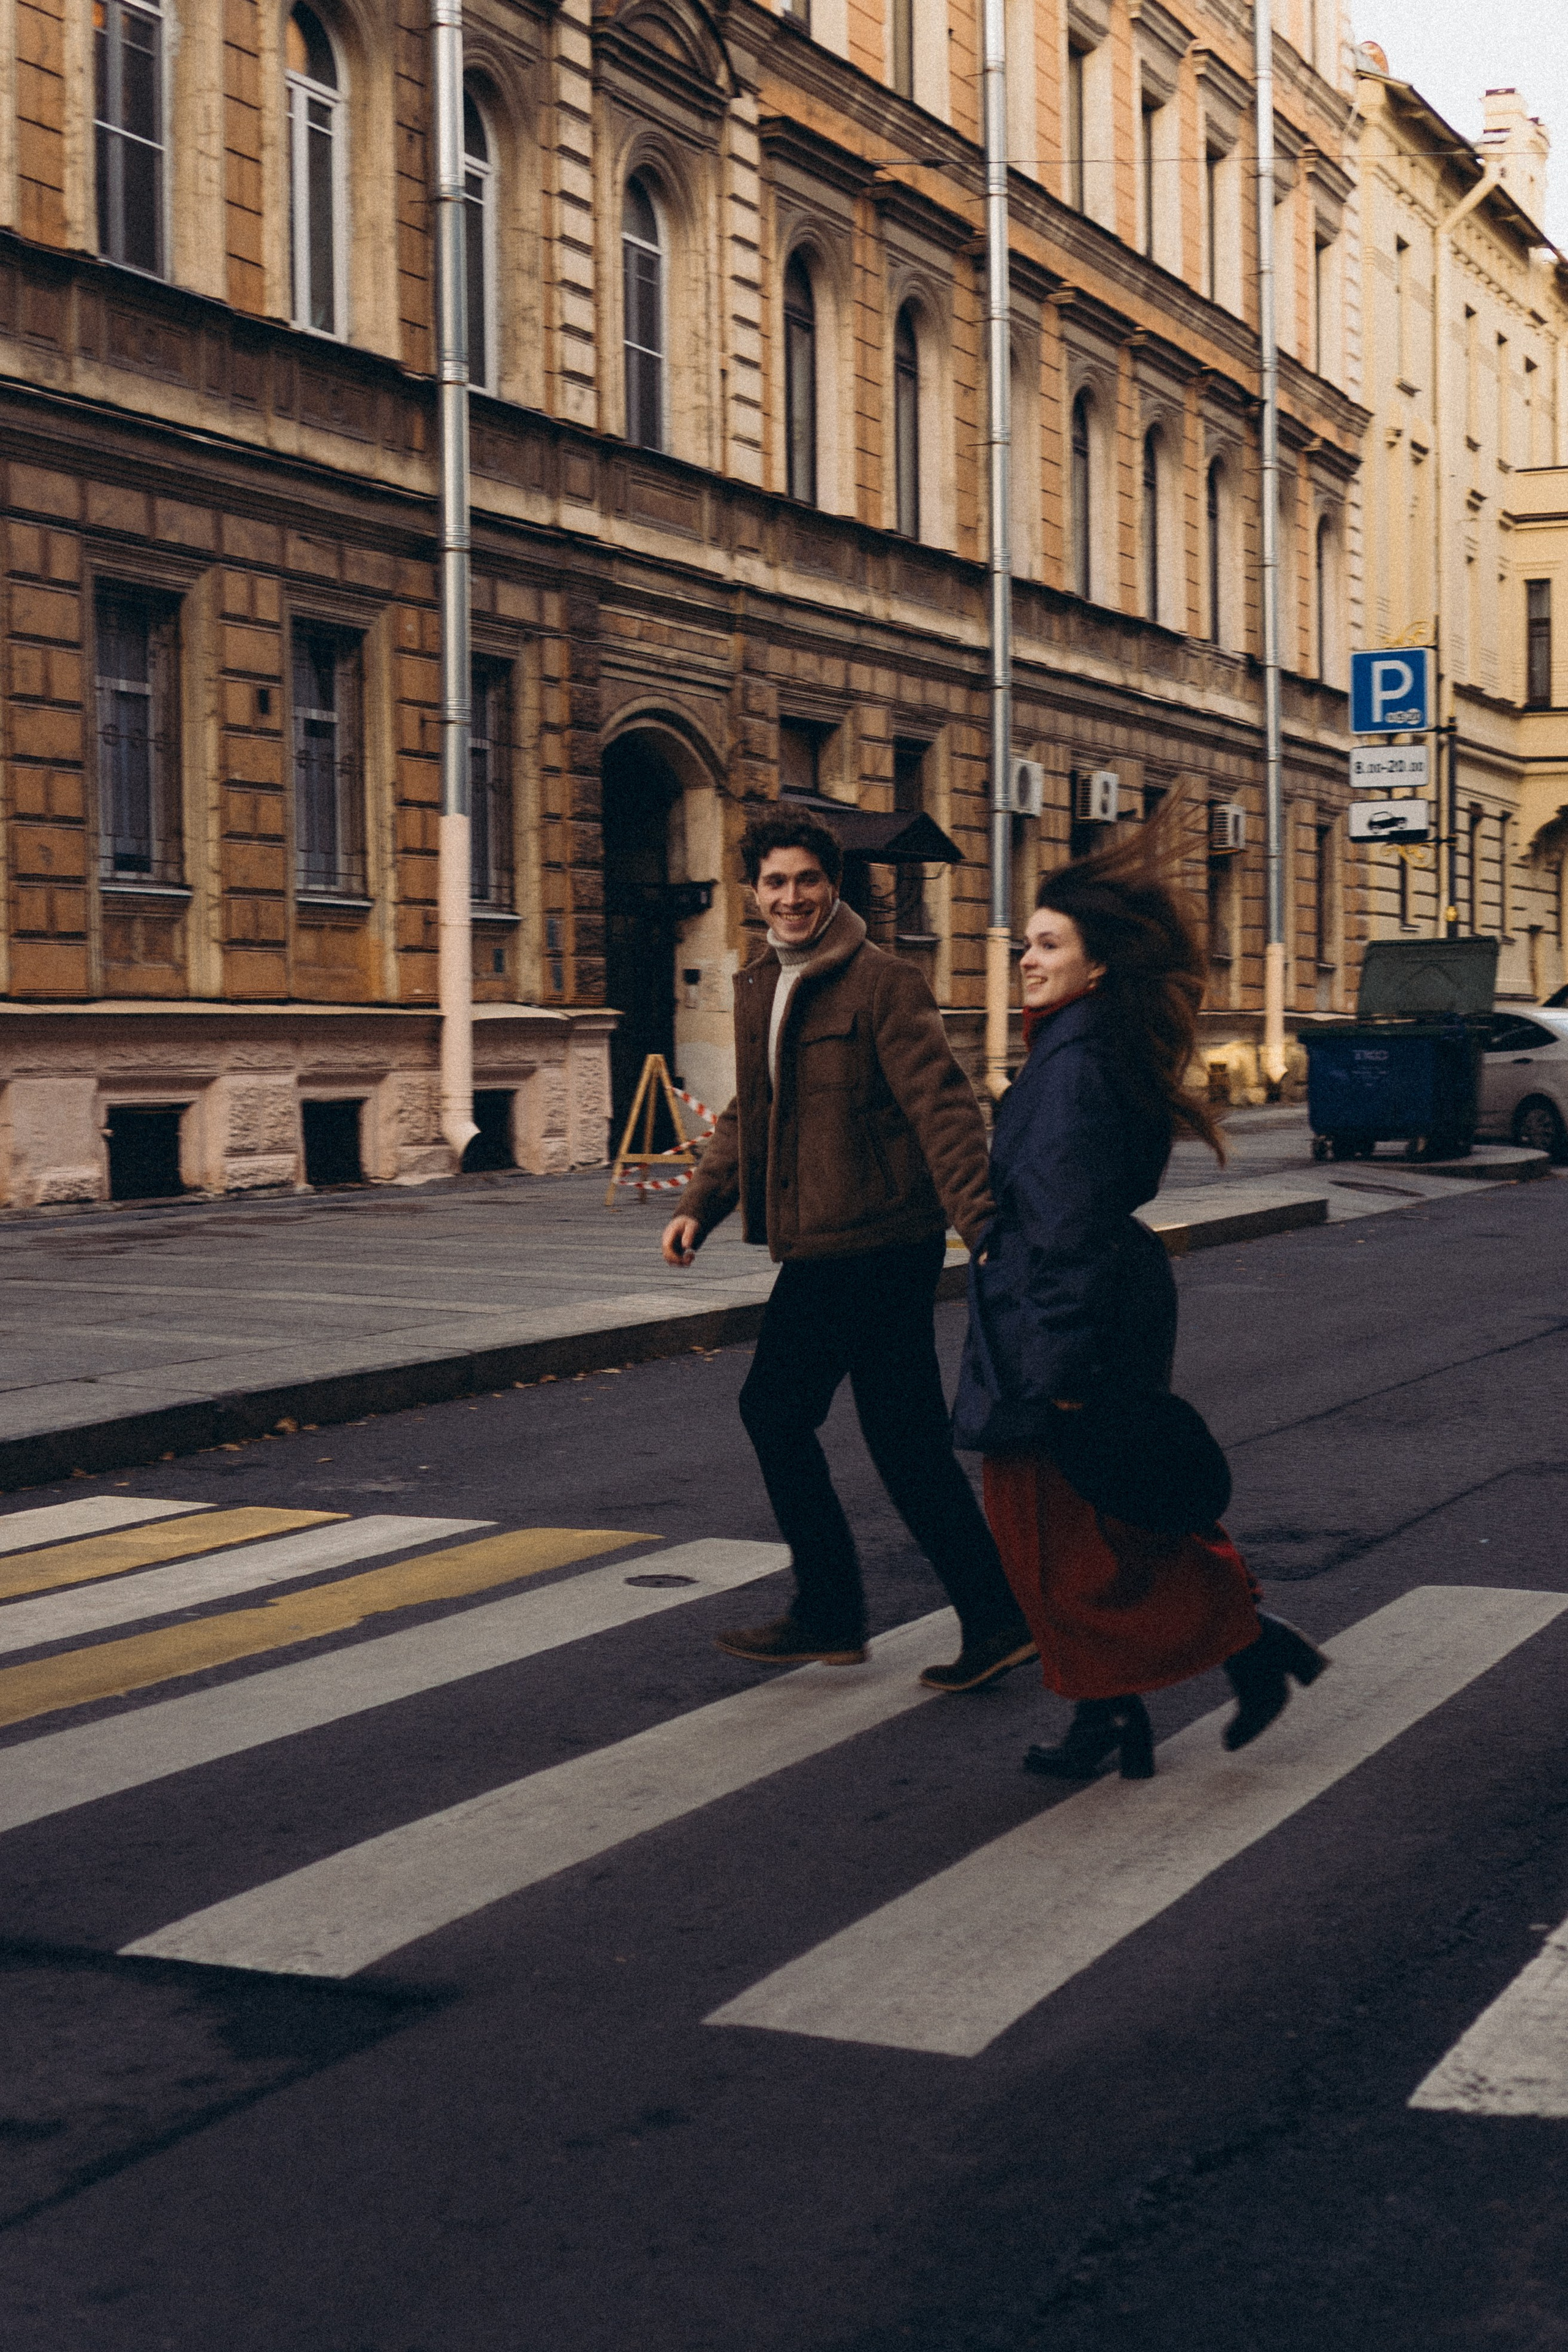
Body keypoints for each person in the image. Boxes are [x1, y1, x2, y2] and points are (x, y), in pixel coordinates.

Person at [952, 818, 1327, 1779]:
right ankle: (1116, 1710)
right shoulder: (1079, 1047)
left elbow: (1066, 1228)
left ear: (1099, 964)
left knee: (1055, 1535)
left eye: (1047, 944)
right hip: (1082, 1313)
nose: (1025, 958)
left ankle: (1240, 1645)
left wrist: (1059, 1372)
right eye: (1026, 942)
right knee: (1087, 1531)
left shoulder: (1073, 1067)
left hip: (1063, 1328)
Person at [662, 811, 1036, 1692]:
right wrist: (700, 1205)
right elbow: (752, 1110)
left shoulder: (882, 982)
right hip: (834, 1242)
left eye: (807, 880)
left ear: (833, 886)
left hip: (872, 1241)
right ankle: (993, 1618)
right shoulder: (761, 982)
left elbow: (942, 1106)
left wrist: (981, 1224)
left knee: (774, 1409)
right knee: (904, 1441)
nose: (791, 897)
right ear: (754, 892)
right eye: (775, 882)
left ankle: (832, 1609)